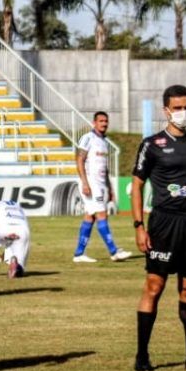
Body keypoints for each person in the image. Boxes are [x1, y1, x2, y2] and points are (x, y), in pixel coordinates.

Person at [131, 85, 186, 371]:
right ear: (166, 110)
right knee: (155, 286)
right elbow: (137, 185)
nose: (183, 112)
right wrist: (139, 226)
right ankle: (142, 355)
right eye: (177, 108)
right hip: (164, 223)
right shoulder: (152, 144)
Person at [73, 111, 130, 263]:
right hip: (90, 183)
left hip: (100, 184)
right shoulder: (88, 138)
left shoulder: (104, 142)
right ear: (94, 123)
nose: (104, 123)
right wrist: (85, 182)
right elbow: (79, 160)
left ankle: (79, 254)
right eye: (101, 121)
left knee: (90, 217)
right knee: (101, 215)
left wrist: (110, 188)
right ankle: (114, 251)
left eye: (106, 121)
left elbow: (105, 169)